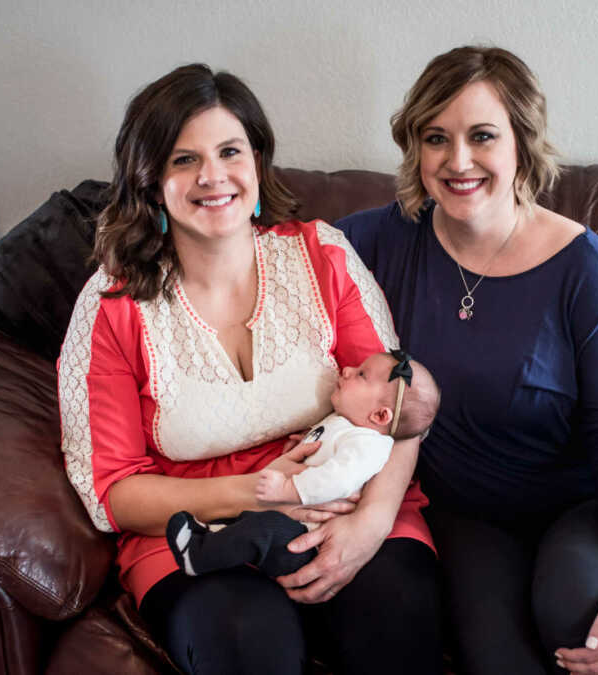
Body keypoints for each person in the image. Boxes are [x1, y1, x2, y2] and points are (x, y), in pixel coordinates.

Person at [57, 64, 442, 675]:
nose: (212, 176)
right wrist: (256, 498)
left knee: (394, 618)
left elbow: (396, 412)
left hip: (346, 501)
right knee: (245, 641)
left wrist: (369, 525)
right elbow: (115, 491)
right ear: (151, 179)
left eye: (230, 151)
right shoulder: (113, 307)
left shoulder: (322, 256)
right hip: (196, 536)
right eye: (184, 160)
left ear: (257, 161)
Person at [336, 46, 598, 675]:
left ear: (521, 142)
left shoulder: (582, 265)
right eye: (436, 138)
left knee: (582, 620)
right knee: (497, 662)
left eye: (482, 136)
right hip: (467, 516)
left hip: (581, 505)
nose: (458, 161)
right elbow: (269, 256)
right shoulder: (384, 237)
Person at [166, 350, 441, 579]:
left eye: (361, 375)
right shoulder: (348, 424)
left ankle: (199, 556)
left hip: (312, 540)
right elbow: (328, 449)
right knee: (252, 523)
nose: (346, 369)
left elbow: (339, 480)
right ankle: (210, 535)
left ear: (380, 415)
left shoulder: (369, 444)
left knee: (263, 529)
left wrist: (288, 488)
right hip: (298, 522)